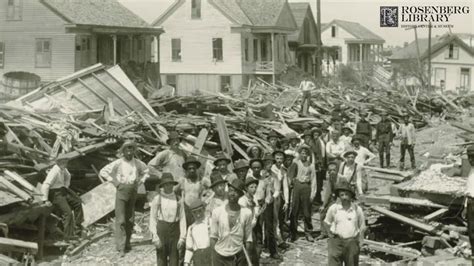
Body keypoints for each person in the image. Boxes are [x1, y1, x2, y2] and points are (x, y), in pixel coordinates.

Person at [100, 140, 149, 256]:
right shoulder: (118, 163)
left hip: (133, 190)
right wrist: (115, 182)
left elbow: (146, 171)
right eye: (127, 149)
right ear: (123, 151)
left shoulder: (137, 163)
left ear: (134, 151)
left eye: (131, 149)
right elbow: (103, 171)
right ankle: (121, 247)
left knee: (130, 219)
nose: (129, 151)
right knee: (121, 220)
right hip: (121, 190)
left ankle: (127, 243)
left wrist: (141, 181)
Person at [210, 179, 253, 266]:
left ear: (240, 195)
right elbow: (213, 236)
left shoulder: (246, 212)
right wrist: (213, 257)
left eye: (236, 192)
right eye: (231, 190)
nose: (232, 194)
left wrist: (246, 257)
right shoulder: (217, 212)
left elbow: (248, 238)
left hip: (238, 255)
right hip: (220, 255)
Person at [41, 154, 83, 238]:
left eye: (66, 161)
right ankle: (68, 236)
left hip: (62, 190)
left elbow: (69, 176)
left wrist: (66, 186)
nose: (65, 163)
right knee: (68, 213)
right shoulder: (54, 171)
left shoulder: (63, 169)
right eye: (63, 162)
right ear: (58, 162)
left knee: (78, 203)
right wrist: (45, 200)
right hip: (55, 193)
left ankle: (78, 227)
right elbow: (45, 184)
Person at [324, 182, 366, 266]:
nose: (344, 197)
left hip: (351, 242)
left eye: (346, 194)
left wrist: (360, 240)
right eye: (342, 195)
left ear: (351, 196)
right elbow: (326, 222)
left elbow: (362, 226)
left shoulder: (357, 209)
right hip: (336, 242)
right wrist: (330, 236)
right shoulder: (334, 208)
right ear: (339, 196)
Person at [149, 173, 186, 266]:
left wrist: (182, 237)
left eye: (170, 184)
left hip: (175, 231)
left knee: (175, 260)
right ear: (162, 186)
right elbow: (152, 218)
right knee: (161, 259)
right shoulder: (157, 199)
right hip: (162, 231)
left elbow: (182, 218)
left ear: (173, 185)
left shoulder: (178, 199)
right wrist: (155, 236)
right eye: (166, 184)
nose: (168, 186)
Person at [288, 144, 317, 242]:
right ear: (299, 154)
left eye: (306, 154)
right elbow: (290, 175)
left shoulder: (311, 165)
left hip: (306, 187)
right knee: (294, 210)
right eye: (302, 153)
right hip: (297, 186)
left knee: (307, 211)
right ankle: (293, 232)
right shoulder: (296, 162)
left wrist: (313, 193)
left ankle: (308, 232)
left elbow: (314, 180)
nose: (304, 155)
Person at [256, 153, 281, 259]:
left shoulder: (274, 176)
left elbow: (277, 189)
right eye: (266, 162)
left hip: (268, 203)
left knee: (269, 227)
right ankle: (258, 250)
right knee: (257, 227)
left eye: (270, 163)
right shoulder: (258, 174)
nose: (268, 165)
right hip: (257, 203)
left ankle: (272, 250)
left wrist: (272, 196)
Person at [177, 156, 207, 228]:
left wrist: (204, 200)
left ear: (196, 169)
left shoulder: (201, 181)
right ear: (187, 170)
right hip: (185, 208)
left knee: (198, 226)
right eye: (190, 169)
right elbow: (174, 192)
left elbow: (211, 190)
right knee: (186, 227)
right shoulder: (182, 181)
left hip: (197, 209)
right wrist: (180, 200)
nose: (192, 170)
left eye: (194, 168)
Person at [239, 176, 262, 265]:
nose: (254, 189)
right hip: (245, 229)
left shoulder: (253, 198)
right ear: (246, 188)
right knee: (247, 251)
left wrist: (257, 213)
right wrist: (254, 219)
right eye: (251, 187)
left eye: (255, 187)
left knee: (254, 251)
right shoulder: (242, 200)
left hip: (252, 228)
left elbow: (256, 207)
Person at [316, 161, 339, 240]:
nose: (332, 172)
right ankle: (323, 232)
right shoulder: (329, 179)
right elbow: (327, 193)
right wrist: (323, 205)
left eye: (334, 170)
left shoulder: (341, 178)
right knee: (322, 212)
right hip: (332, 199)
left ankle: (335, 232)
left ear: (337, 170)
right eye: (330, 171)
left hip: (341, 200)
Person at [184, 200, 211, 266]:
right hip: (198, 258)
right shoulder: (191, 228)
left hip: (210, 256)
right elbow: (189, 248)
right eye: (194, 212)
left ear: (204, 210)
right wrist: (186, 262)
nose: (198, 214)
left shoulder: (210, 222)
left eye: (200, 211)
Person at [272, 150, 290, 248]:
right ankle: (277, 240)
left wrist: (286, 201)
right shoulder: (271, 168)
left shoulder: (283, 170)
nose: (279, 160)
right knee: (273, 219)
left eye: (281, 159)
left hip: (279, 197)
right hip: (270, 197)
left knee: (278, 218)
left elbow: (286, 186)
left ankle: (278, 239)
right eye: (277, 158)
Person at [464, 145, 474, 263]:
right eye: (469, 158)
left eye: (473, 157)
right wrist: (466, 207)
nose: (471, 160)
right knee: (471, 231)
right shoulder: (471, 171)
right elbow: (469, 191)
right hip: (471, 203)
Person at [312, 128, 327, 204]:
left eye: (317, 135)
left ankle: (317, 198)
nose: (316, 136)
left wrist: (321, 164)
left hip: (320, 164)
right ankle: (316, 198)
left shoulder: (320, 142)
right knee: (317, 182)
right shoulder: (313, 142)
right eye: (314, 135)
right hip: (316, 164)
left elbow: (322, 155)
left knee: (319, 183)